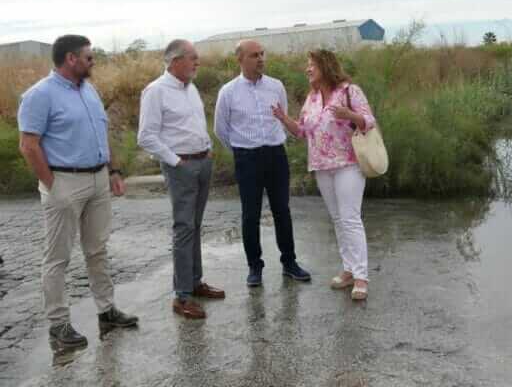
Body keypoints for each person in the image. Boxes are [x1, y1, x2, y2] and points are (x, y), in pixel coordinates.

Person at [17, 34, 139, 350]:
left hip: (98, 179)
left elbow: (101, 132)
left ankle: (106, 311)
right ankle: (58, 326)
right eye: (89, 57)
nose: (93, 62)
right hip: (63, 183)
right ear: (71, 59)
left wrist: (113, 171)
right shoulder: (39, 95)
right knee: (57, 257)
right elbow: (28, 146)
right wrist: (51, 186)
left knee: (97, 249)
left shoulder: (89, 90)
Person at [272, 49, 376, 300]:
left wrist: (349, 115)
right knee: (338, 219)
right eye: (307, 65)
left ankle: (361, 277)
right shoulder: (312, 98)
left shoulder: (349, 90)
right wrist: (284, 119)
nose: (308, 69)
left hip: (348, 163)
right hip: (321, 165)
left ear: (325, 66)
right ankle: (349, 270)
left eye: (312, 65)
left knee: (350, 218)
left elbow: (369, 121)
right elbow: (302, 131)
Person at [137, 39, 225, 320]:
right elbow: (146, 136)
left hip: (202, 161)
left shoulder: (191, 88)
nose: (197, 62)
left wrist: (208, 150)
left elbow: (193, 125)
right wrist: (176, 161)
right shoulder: (156, 91)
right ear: (174, 61)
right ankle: (182, 296)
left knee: (195, 225)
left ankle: (195, 282)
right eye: (192, 58)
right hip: (181, 166)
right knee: (184, 227)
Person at [214, 39, 311, 287]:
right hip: (247, 158)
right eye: (254, 55)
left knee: (282, 210)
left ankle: (289, 262)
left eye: (262, 54)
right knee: (250, 214)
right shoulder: (228, 92)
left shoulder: (276, 86)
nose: (260, 59)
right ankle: (254, 267)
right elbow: (221, 129)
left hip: (276, 155)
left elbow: (283, 117)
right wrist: (241, 150)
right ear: (240, 60)